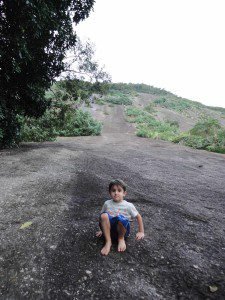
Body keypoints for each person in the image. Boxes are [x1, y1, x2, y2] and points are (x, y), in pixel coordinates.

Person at [96, 179, 144, 256]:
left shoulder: (128, 205)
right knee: (104, 215)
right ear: (109, 193)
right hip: (110, 230)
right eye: (113, 190)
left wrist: (141, 231)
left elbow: (138, 216)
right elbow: (101, 218)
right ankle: (108, 242)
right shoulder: (107, 203)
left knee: (120, 218)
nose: (116, 193)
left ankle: (121, 239)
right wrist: (101, 230)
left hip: (122, 231)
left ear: (124, 193)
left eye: (119, 190)